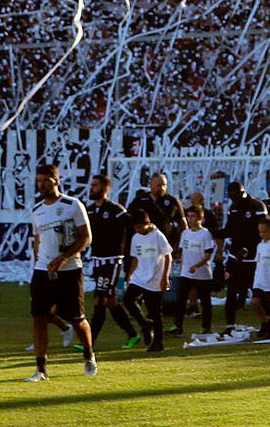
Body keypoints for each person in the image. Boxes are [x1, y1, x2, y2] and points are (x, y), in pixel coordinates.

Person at [27, 163, 95, 381]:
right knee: (39, 317)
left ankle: (89, 355)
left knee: (77, 318)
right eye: (38, 181)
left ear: (56, 181)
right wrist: (38, 262)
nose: (41, 185)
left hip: (69, 270)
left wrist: (63, 257)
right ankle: (41, 369)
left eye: (45, 181)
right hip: (43, 271)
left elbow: (86, 237)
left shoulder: (72, 205)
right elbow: (37, 240)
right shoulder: (36, 210)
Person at [84, 174, 141, 350]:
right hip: (97, 260)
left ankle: (89, 342)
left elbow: (133, 227)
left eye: (95, 185)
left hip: (112, 261)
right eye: (91, 185)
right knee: (110, 301)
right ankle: (135, 333)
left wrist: (129, 251)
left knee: (100, 300)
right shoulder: (90, 210)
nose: (91, 188)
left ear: (105, 188)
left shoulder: (116, 209)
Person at [220, 181, 268, 333]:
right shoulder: (233, 208)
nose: (233, 199)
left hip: (253, 258)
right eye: (231, 196)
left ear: (243, 193)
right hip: (235, 257)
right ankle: (230, 325)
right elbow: (230, 230)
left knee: (259, 293)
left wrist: (248, 248)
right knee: (231, 291)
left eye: (236, 195)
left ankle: (266, 323)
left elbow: (262, 233)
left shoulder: (257, 206)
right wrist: (212, 232)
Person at [123, 208, 172, 353]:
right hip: (140, 277)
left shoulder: (158, 236)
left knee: (155, 312)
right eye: (135, 227)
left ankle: (158, 343)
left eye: (140, 227)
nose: (138, 230)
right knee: (128, 300)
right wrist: (130, 274)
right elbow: (135, 258)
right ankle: (145, 324)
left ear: (148, 224)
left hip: (155, 278)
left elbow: (168, 256)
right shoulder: (136, 238)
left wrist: (165, 277)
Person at [172, 205, 219, 336]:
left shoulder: (205, 234)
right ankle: (177, 326)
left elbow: (208, 254)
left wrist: (197, 266)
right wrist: (183, 267)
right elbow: (183, 251)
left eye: (193, 216)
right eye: (188, 216)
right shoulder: (185, 233)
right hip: (186, 273)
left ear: (200, 218)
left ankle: (206, 327)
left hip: (202, 274)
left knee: (205, 301)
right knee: (181, 300)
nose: (190, 219)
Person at [131, 173, 185, 245]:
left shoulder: (173, 201)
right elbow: (129, 218)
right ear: (151, 185)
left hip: (166, 241)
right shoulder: (140, 200)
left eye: (164, 185)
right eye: (159, 185)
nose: (162, 188)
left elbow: (183, 223)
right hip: (145, 241)